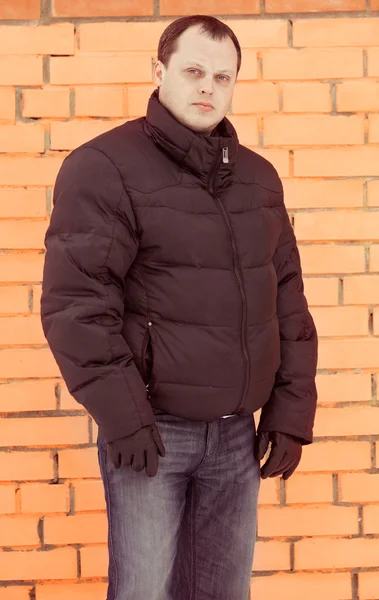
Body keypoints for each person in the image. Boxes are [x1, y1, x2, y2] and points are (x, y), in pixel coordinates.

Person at [40, 14, 318, 600]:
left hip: (238, 437)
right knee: (144, 592)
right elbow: (78, 306)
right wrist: (125, 417)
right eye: (193, 71)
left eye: (222, 76)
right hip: (153, 435)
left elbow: (288, 302)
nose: (207, 88)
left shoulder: (258, 180)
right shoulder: (104, 168)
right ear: (159, 71)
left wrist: (291, 414)